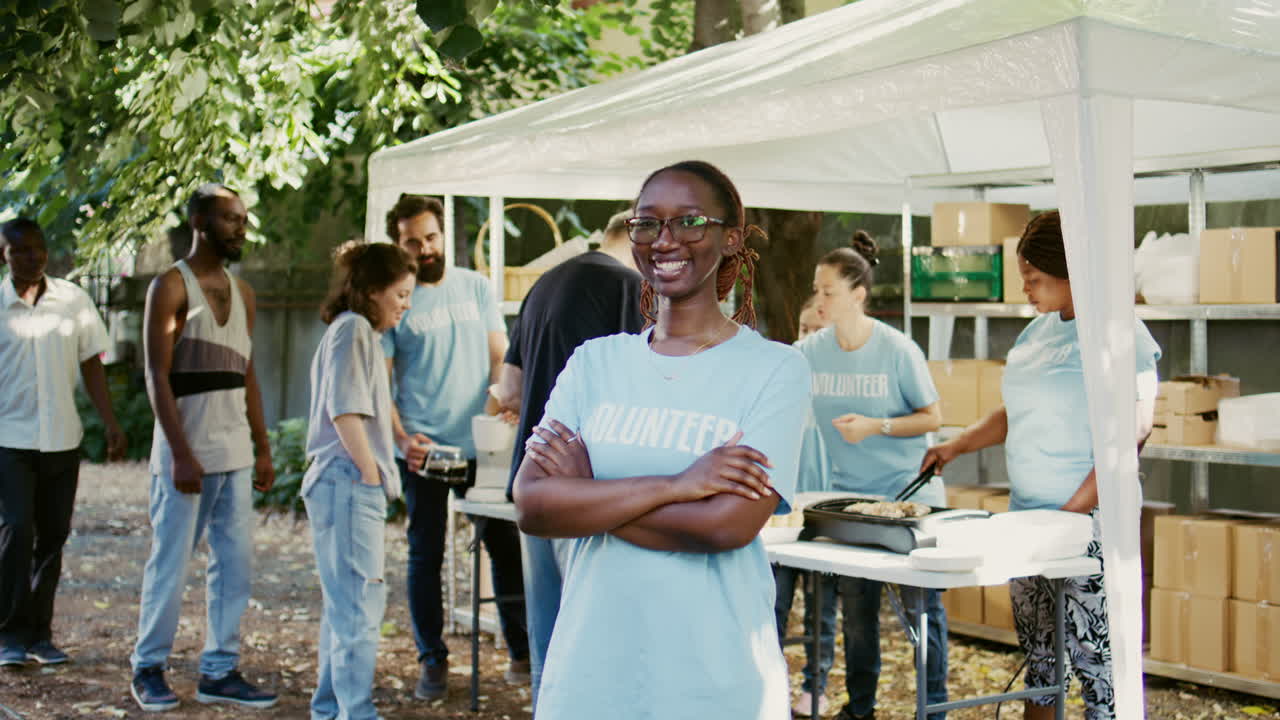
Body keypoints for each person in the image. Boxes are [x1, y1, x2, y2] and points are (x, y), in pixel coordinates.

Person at [513, 160, 811, 719]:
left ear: (730, 238)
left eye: (689, 221)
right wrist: (679, 484)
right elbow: (532, 505)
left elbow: (725, 526)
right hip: (589, 677)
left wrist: (589, 496)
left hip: (713, 684)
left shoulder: (775, 370)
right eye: (646, 223)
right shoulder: (593, 363)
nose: (664, 240)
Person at [923, 210, 1160, 720]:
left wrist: (1070, 514)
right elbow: (1016, 414)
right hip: (1027, 521)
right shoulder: (1034, 336)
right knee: (1041, 666)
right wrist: (956, 445)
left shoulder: (1122, 335)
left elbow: (1132, 432)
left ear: (1070, 269)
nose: (1026, 288)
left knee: (1101, 670)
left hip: (1089, 527)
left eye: (1034, 278)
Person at [130, 183, 277, 712]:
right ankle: (148, 666)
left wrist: (262, 447)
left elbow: (247, 373)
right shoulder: (171, 287)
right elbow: (155, 374)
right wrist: (181, 452)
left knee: (235, 566)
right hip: (185, 456)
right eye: (229, 218)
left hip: (235, 453)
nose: (240, 227)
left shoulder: (245, 294)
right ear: (199, 222)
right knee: (170, 563)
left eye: (242, 218)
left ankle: (218, 669)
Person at [489, 208, 644, 703]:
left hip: (532, 481)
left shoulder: (544, 283)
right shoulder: (628, 289)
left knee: (548, 643)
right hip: (589, 488)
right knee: (594, 645)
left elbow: (508, 389)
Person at [383, 194, 529, 700]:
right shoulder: (394, 298)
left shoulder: (476, 286)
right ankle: (432, 661)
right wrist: (402, 439)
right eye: (411, 241)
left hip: (481, 446)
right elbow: (380, 383)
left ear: (443, 235)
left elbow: (498, 356)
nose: (423, 248)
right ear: (397, 244)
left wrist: (499, 407)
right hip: (423, 448)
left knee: (505, 547)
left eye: (430, 237)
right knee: (425, 554)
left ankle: (521, 651)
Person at [798, 230, 947, 720]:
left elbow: (932, 418)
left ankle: (935, 710)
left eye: (828, 292)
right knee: (858, 617)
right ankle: (859, 710)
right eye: (816, 290)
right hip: (849, 501)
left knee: (922, 614)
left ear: (857, 295)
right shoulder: (810, 352)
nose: (818, 301)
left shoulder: (897, 350)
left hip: (905, 500)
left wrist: (876, 426)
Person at [0, 218, 125, 668]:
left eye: (38, 249)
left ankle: (40, 634)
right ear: (4, 256)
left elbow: (92, 363)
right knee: (16, 530)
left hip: (61, 439)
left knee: (52, 536)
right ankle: (10, 634)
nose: (33, 258)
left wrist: (110, 422)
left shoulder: (73, 301)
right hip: (8, 439)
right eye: (21, 251)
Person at [303, 240, 416, 720]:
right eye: (401, 295)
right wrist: (370, 476)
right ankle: (355, 712)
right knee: (359, 609)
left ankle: (331, 709)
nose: (405, 307)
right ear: (372, 291)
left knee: (346, 606)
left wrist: (402, 441)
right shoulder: (352, 332)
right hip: (348, 482)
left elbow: (365, 405)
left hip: (346, 482)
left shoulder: (356, 333)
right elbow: (345, 410)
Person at [771, 294, 835, 717]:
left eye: (817, 331)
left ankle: (817, 685)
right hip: (780, 513)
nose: (809, 339)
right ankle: (772, 680)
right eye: (804, 330)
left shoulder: (832, 383)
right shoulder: (782, 376)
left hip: (821, 508)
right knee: (773, 601)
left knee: (821, 606)